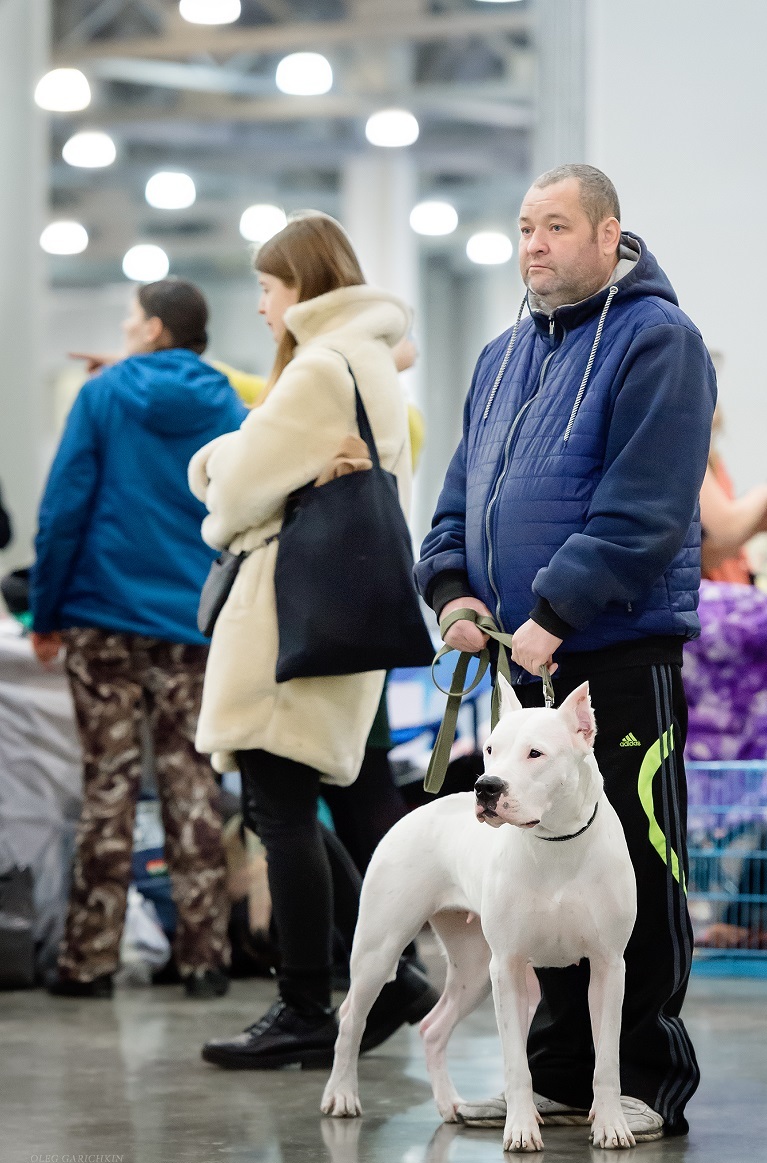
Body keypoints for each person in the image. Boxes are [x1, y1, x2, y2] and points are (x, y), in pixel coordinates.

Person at [415, 164, 716, 1139]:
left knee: (635, 863)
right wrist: (454, 593)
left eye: (555, 226)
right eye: (523, 227)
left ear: (607, 235)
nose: (534, 244)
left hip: (617, 652)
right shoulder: (500, 359)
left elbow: (646, 508)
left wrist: (557, 609)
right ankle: (553, 1076)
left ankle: (643, 1080)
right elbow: (457, 501)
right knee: (528, 877)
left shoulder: (659, 342)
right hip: (522, 667)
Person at [192, 212, 437, 1070]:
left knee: (280, 812)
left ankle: (304, 1002)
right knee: (293, 806)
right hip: (338, 618)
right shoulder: (368, 364)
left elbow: (231, 502)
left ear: (300, 285)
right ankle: (391, 976)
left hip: (280, 623)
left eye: (267, 287)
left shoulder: (316, 370)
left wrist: (221, 462)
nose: (261, 306)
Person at [30, 278, 246, 999]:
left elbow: (65, 504)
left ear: (154, 328)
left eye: (131, 318)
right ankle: (206, 958)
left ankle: (88, 962)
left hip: (103, 617)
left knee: (109, 787)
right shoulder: (225, 400)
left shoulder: (104, 393)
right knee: (193, 783)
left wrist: (46, 611)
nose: (125, 328)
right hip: (193, 620)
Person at [700, 405, 767, 583]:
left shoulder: (716, 466)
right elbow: (719, 537)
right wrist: (765, 493)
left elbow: (714, 551)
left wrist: (754, 526)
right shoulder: (694, 463)